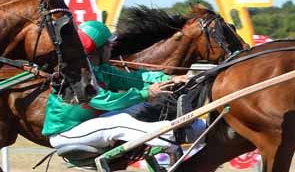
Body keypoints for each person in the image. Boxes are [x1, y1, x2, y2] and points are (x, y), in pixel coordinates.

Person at [43, 20, 196, 151]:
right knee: (121, 121)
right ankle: (172, 136)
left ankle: (192, 130)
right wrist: (145, 93)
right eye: (109, 45)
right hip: (66, 133)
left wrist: (169, 78)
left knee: (139, 109)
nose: (112, 49)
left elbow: (136, 78)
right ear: (98, 49)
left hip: (88, 125)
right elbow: (104, 101)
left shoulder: (102, 69)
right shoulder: (77, 74)